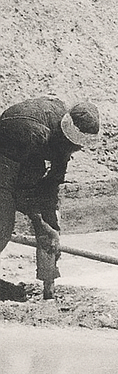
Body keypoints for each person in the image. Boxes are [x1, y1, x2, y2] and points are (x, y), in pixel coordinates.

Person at [0, 97, 100, 300]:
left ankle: (49, 288)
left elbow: (51, 184)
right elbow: (5, 184)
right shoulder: (31, 130)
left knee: (50, 226)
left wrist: (49, 226)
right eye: (73, 144)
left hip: (27, 161)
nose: (76, 149)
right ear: (65, 132)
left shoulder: (64, 138)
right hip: (6, 161)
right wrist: (37, 220)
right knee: (3, 224)